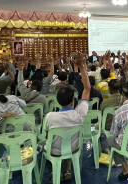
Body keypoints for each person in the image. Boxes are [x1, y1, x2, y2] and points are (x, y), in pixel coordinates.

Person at [44, 53, 91, 182]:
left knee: (46, 146)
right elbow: (87, 88)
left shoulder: (50, 117)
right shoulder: (79, 113)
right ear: (73, 100)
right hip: (73, 148)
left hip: (54, 152)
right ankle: (68, 169)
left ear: (58, 101)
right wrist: (82, 67)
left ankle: (55, 172)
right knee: (69, 140)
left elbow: (48, 137)